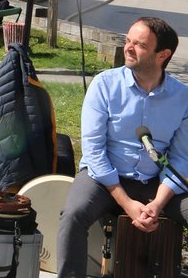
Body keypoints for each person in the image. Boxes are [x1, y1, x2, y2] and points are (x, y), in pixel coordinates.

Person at [56, 17, 188, 277]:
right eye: (128, 40)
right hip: (102, 178)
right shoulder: (104, 85)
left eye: (139, 45)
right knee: (73, 215)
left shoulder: (182, 98)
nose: (128, 47)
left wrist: (157, 204)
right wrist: (127, 203)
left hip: (156, 182)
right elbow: (94, 152)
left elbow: (181, 158)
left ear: (163, 55)